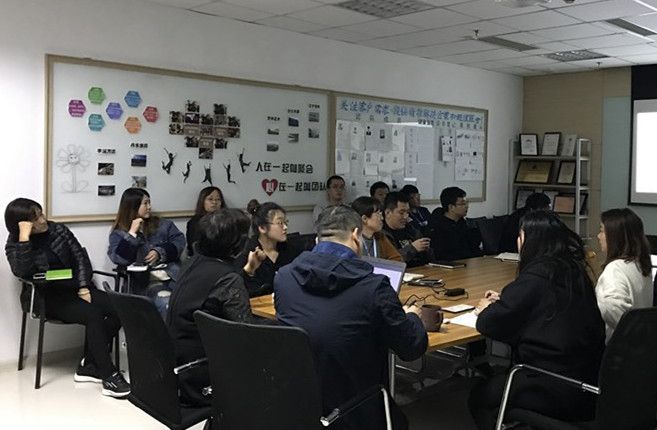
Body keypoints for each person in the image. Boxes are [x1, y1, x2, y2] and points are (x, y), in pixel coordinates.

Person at [274, 206, 427, 430]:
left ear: (317, 240)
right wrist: (412, 316)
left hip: (300, 399)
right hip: (357, 406)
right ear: (356, 236)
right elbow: (411, 348)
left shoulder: (284, 277)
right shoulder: (373, 286)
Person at [468, 210, 605, 430]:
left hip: (552, 383)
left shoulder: (535, 276)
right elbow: (545, 307)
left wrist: (487, 308)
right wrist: (508, 301)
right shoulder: (572, 270)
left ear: (529, 240)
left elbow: (488, 324)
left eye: (520, 235)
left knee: (479, 396)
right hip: (587, 381)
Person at [5, 198, 129, 398]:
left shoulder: (59, 231)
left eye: (41, 214)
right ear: (22, 224)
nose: (42, 220)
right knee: (93, 314)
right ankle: (109, 375)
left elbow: (80, 257)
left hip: (76, 288)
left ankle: (89, 365)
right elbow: (22, 271)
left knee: (119, 308)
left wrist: (83, 286)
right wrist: (24, 240)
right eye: (35, 219)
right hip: (46, 298)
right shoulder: (14, 243)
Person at [167, 209, 265, 406]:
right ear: (236, 244)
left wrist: (248, 270)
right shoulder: (228, 279)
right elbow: (246, 333)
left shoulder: (192, 263)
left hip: (176, 367)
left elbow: (216, 293)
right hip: (203, 375)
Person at [108, 188, 185, 318]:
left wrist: (160, 252)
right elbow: (119, 259)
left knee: (192, 299)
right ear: (133, 206)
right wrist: (132, 234)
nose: (149, 207)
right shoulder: (119, 233)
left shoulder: (163, 224)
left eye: (149, 202)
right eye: (145, 203)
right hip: (145, 283)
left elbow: (179, 241)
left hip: (173, 275)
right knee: (166, 303)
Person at [595, 208, 653, 342]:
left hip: (618, 346)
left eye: (602, 230)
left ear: (615, 236)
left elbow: (612, 309)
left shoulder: (615, 269)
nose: (598, 236)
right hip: (640, 345)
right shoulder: (640, 266)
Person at [235, 202, 302, 297]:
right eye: (280, 223)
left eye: (286, 222)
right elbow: (239, 290)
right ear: (262, 228)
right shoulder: (248, 255)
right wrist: (250, 269)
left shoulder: (292, 251)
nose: (285, 227)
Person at [428, 186, 482, 260]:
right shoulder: (437, 228)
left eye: (466, 203)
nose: (466, 206)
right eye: (463, 204)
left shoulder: (463, 223)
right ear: (451, 207)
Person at [382, 192, 433, 267]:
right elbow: (390, 261)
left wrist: (426, 248)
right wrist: (413, 248)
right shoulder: (382, 234)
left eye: (407, 212)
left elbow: (429, 258)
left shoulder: (411, 230)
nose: (406, 216)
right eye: (401, 213)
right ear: (388, 213)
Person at [351, 196, 402, 262]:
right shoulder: (351, 239)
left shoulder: (380, 236)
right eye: (378, 214)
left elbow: (397, 259)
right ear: (364, 219)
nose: (382, 218)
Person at [186, 186, 224, 256]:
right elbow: (195, 246)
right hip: (203, 258)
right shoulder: (195, 222)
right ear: (202, 201)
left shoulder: (227, 221)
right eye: (210, 199)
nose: (214, 202)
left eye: (218, 199)